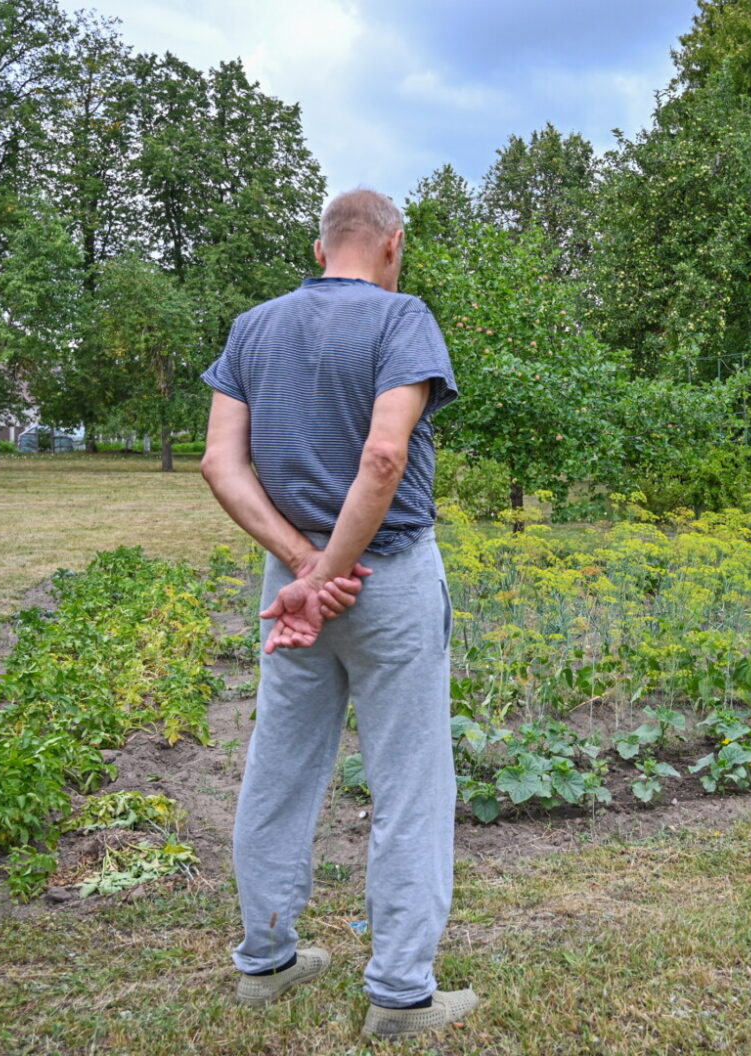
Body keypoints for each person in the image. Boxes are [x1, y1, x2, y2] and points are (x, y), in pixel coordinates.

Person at [199, 187, 478, 1038]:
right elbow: (385, 454)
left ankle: (266, 960)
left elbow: (219, 464)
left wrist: (301, 567)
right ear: (392, 246)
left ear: (322, 250)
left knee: (280, 765)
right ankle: (399, 994)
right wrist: (334, 569)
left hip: (289, 589)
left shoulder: (253, 327)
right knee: (410, 782)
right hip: (385, 579)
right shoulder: (404, 320)